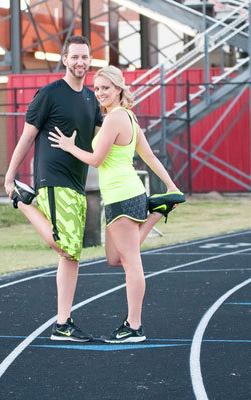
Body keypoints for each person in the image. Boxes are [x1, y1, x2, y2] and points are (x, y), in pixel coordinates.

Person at [48, 65, 186, 343]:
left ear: (119, 88)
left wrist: (69, 146)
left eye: (105, 88)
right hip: (121, 197)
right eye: (96, 88)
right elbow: (149, 155)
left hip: (124, 196)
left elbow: (97, 160)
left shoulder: (116, 120)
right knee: (114, 258)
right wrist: (170, 186)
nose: (100, 93)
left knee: (131, 263)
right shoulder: (127, 118)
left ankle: (134, 326)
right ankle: (157, 211)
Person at [4, 35, 103, 342]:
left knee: (71, 255)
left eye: (84, 57)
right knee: (66, 246)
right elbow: (26, 137)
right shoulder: (49, 94)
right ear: (64, 59)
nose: (80, 62)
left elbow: (103, 138)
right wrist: (9, 178)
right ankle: (23, 202)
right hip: (53, 178)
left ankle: (63, 323)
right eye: (74, 57)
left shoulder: (90, 99)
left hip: (77, 182)